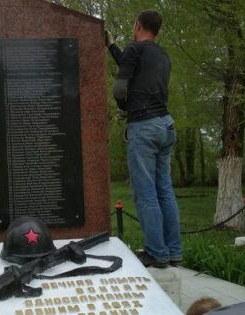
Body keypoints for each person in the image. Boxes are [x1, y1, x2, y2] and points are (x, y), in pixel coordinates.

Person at [105, 10, 182, 268]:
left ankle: (156, 253)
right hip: (166, 125)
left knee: (146, 194)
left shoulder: (135, 50)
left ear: (137, 25)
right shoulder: (162, 55)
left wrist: (124, 105)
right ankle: (173, 252)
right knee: (165, 191)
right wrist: (111, 46)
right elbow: (132, 67)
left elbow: (119, 87)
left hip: (144, 127)